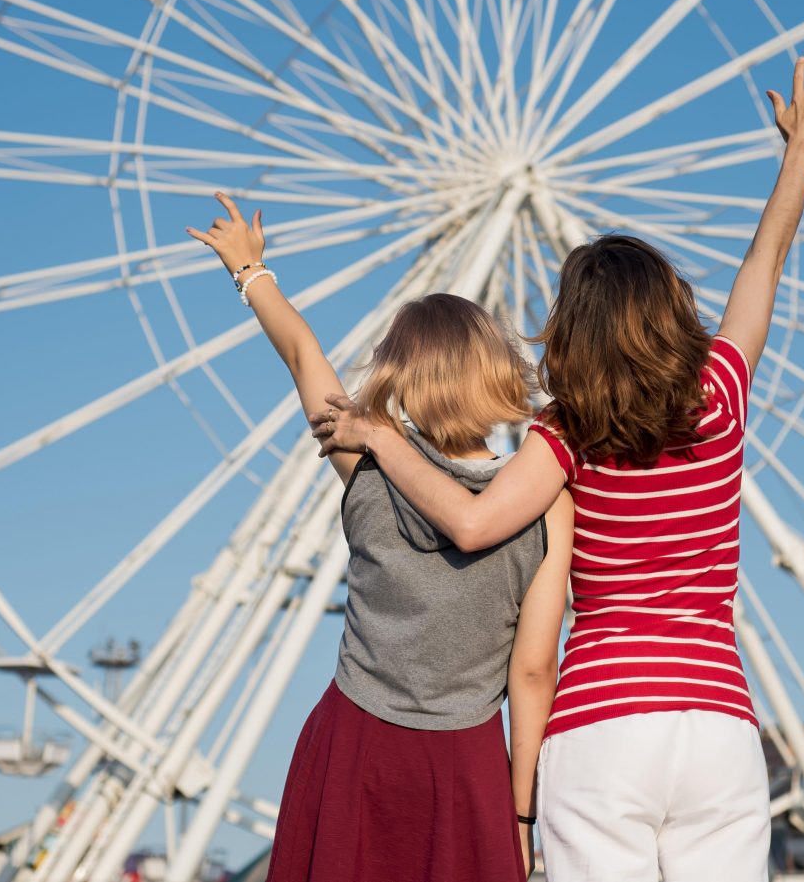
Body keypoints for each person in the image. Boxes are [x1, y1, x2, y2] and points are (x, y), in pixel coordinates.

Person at [311, 54, 804, 882]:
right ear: (672, 312)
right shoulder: (722, 397)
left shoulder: (567, 438)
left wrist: (380, 439)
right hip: (718, 723)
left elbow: (470, 522)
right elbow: (762, 269)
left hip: (602, 721)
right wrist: (802, 150)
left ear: (572, 334)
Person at [186, 193, 574, 882]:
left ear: (401, 378)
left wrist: (250, 271)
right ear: (496, 374)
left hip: (355, 741)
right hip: (466, 762)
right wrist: (521, 817)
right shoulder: (546, 505)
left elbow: (304, 355)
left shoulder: (367, 466)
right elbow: (534, 669)